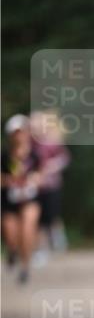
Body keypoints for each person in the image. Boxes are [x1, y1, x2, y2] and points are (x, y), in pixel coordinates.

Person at [1, 115, 43, 284]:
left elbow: (42, 175)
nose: (20, 136)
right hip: (9, 199)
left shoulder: (34, 155)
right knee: (11, 235)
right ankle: (11, 251)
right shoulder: (4, 156)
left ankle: (25, 267)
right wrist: (9, 181)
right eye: (17, 132)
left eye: (23, 132)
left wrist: (35, 179)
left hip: (30, 198)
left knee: (27, 229)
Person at [31, 109, 71, 257]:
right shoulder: (31, 143)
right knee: (38, 220)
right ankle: (41, 249)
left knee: (52, 216)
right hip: (36, 187)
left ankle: (58, 240)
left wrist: (50, 168)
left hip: (52, 186)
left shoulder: (52, 142)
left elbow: (64, 159)